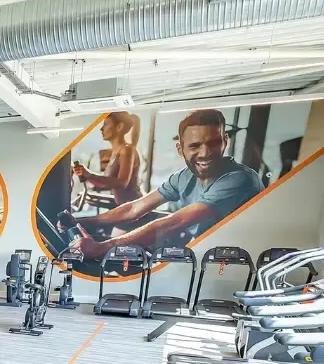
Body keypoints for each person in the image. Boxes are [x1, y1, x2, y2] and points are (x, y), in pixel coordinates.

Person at [67, 109, 262, 259]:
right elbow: (134, 208)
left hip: (238, 259)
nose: (205, 153)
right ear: (180, 149)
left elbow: (174, 223)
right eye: (194, 146)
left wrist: (101, 248)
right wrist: (82, 222)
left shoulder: (240, 179)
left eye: (214, 143)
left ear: (225, 142)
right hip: (203, 252)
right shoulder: (183, 177)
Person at [72, 111, 143, 206]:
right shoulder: (114, 152)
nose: (101, 129)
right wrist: (85, 174)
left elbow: (122, 183)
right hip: (123, 207)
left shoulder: (127, 150)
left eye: (106, 124)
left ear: (119, 127)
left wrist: (89, 174)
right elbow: (105, 183)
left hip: (135, 208)